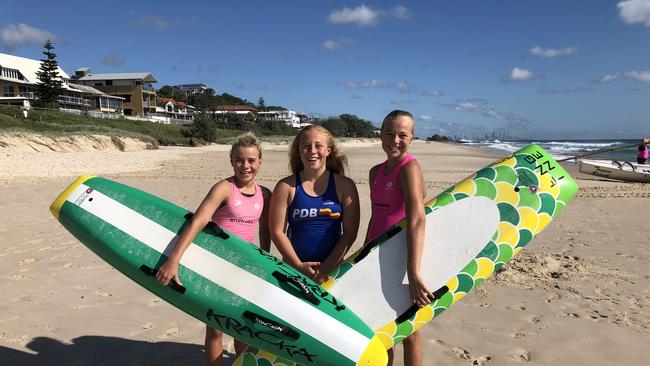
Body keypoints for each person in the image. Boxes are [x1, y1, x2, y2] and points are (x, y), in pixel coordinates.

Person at [155, 132, 271, 366]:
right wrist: (173, 259)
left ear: (260, 162)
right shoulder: (224, 188)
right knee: (216, 328)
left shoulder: (264, 194)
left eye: (251, 160)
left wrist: (264, 264)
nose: (245, 166)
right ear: (231, 160)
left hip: (245, 268)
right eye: (239, 159)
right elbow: (197, 222)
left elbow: (265, 231)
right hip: (216, 265)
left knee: (242, 328)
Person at [365, 110, 429, 366]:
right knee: (382, 328)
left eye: (402, 135)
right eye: (389, 133)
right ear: (380, 135)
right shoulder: (374, 172)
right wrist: (364, 254)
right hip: (376, 256)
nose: (395, 140)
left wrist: (412, 273)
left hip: (402, 256)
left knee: (409, 330)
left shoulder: (410, 168)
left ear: (412, 138)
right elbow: (375, 217)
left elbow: (417, 219)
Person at [269, 125, 360, 284]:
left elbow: (350, 233)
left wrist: (326, 268)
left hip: (332, 273)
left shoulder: (345, 186)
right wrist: (297, 265)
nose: (312, 151)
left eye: (318, 146)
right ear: (298, 150)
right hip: (294, 270)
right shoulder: (286, 186)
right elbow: (277, 231)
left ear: (328, 150)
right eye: (306, 146)